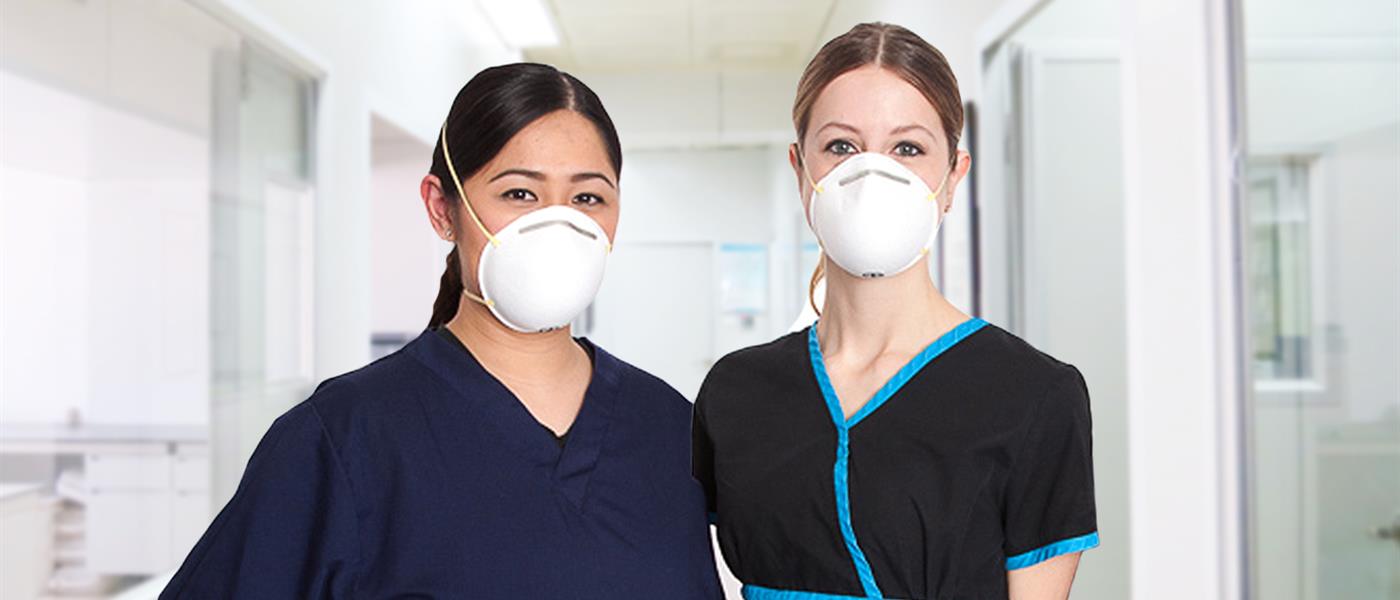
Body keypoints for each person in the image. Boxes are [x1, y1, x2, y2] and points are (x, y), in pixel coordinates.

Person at [162, 62, 722, 599]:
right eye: (519, 193)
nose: (559, 223)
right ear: (441, 208)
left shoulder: (670, 429)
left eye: (587, 198)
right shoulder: (344, 437)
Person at [693, 23, 1098, 600]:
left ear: (953, 177)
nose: (871, 174)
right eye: (841, 146)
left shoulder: (1034, 396)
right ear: (799, 171)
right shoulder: (736, 391)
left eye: (907, 148)